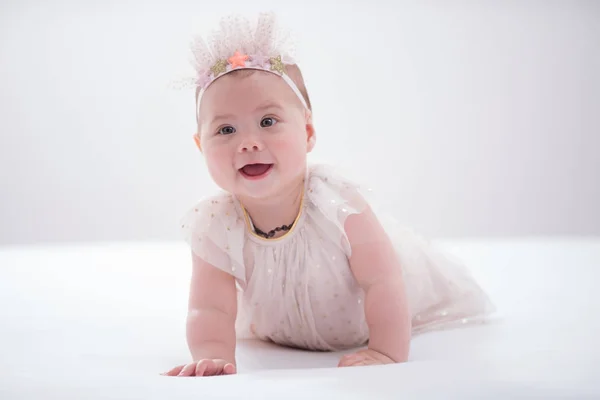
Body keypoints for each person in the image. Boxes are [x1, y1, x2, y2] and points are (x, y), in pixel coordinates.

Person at [163, 12, 495, 377]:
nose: (248, 143)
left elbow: (383, 279)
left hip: (363, 321)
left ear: (307, 132)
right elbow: (210, 309)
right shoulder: (215, 223)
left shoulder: (335, 201)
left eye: (268, 122)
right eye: (225, 129)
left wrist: (386, 350)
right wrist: (212, 357)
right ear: (200, 145)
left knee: (393, 277)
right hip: (281, 331)